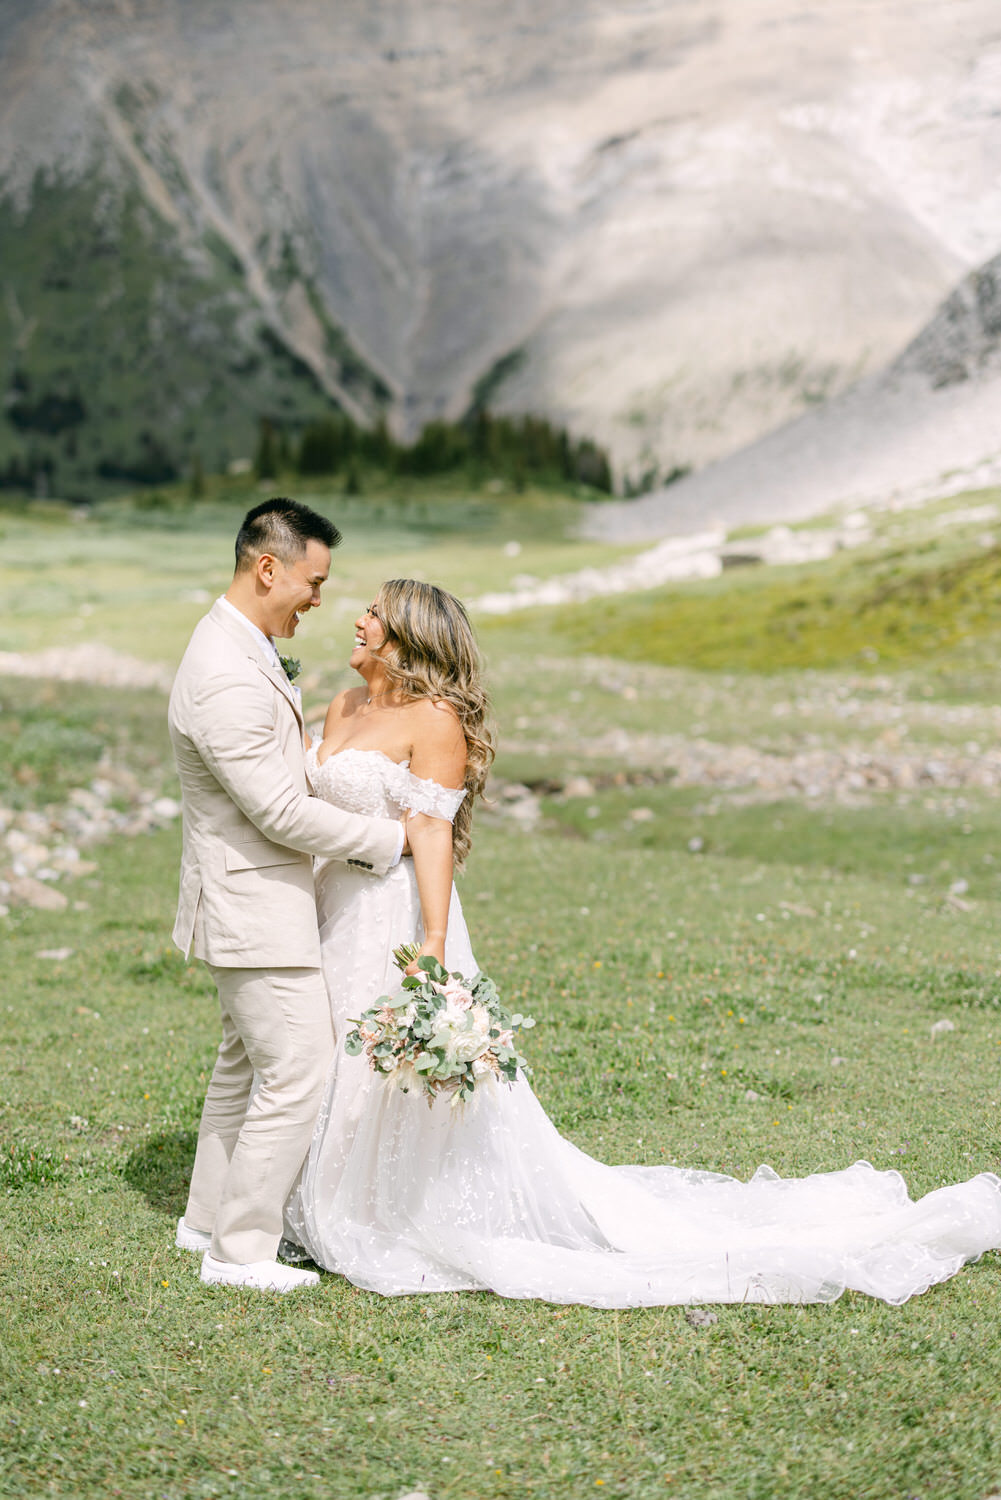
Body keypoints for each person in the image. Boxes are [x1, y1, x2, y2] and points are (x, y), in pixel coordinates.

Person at [284, 577, 1001, 1306]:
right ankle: (306, 1184)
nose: (358, 620)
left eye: (374, 613)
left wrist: (432, 941)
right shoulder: (343, 704)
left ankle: (369, 1206)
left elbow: (430, 830)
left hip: (390, 913)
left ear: (408, 635)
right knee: (316, 1045)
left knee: (378, 1055)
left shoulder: (433, 718)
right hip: (327, 903)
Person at [167, 498, 405, 1293]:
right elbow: (273, 809)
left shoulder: (246, 647)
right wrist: (385, 842)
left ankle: (204, 1217)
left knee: (243, 1064)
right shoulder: (223, 670)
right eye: (313, 580)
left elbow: (277, 767)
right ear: (268, 567)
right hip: (251, 902)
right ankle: (239, 1254)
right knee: (297, 1065)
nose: (318, 599)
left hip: (260, 895)